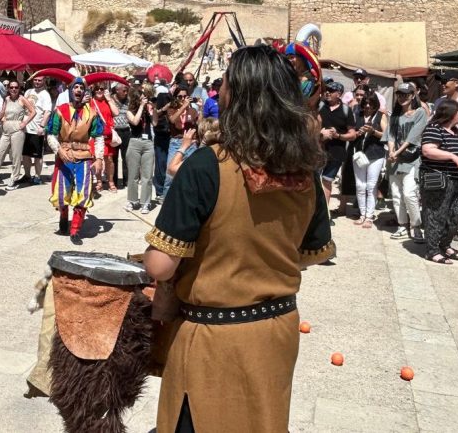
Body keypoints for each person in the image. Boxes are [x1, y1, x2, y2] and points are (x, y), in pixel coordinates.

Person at [143, 46, 334, 433]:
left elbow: (161, 264)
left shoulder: (206, 165)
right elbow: (308, 253)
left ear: (235, 94)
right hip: (276, 333)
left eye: (226, 80)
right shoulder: (305, 171)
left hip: (214, 340)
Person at [45, 76, 105, 243]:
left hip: (84, 156)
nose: (78, 90)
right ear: (70, 91)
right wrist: (58, 150)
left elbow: (99, 137)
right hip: (64, 156)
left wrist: (99, 158)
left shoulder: (91, 113)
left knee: (84, 193)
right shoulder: (60, 111)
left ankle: (75, 230)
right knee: (61, 193)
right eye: (75, 87)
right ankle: (64, 216)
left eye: (81, 88)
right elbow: (51, 134)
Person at [419, 100, 458, 264]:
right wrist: (452, 156)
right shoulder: (434, 129)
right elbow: (428, 150)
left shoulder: (455, 131)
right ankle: (432, 250)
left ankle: (445, 243)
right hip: (439, 179)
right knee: (436, 214)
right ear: (451, 113)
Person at [386, 82, 428, 242]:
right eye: (399, 94)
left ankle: (416, 226)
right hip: (394, 160)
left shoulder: (419, 113)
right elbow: (390, 135)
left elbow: (413, 137)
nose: (402, 97)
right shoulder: (395, 116)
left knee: (409, 193)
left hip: (411, 159)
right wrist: (391, 151)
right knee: (396, 195)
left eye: (406, 94)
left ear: (412, 95)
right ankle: (402, 225)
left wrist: (396, 152)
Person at [318, 82, 356, 210]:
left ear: (339, 94)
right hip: (317, 151)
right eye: (326, 90)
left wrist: (338, 136)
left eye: (331, 90)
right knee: (313, 181)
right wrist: (320, 133)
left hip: (336, 153)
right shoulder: (319, 106)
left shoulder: (346, 110)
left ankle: (324, 214)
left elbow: (352, 134)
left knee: (327, 181)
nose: (327, 92)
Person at [0, 79, 33, 189]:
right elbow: (3, 112)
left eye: (16, 87)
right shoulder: (7, 99)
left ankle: (14, 178)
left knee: (16, 156)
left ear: (19, 89)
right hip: (6, 130)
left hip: (17, 129)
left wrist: (24, 123)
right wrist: (0, 117)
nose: (13, 89)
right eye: (11, 87)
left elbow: (33, 111)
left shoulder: (22, 99)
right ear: (8, 89)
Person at [352, 93, 388, 228]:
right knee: (360, 185)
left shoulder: (381, 115)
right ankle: (362, 214)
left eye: (371, 103)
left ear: (376, 104)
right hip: (360, 154)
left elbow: (387, 135)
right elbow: (352, 133)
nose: (367, 106)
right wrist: (358, 133)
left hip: (375, 154)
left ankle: (369, 216)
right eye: (366, 103)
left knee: (371, 186)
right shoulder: (358, 114)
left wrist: (373, 131)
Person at [162, 86, 198, 199]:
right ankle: (167, 200)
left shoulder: (193, 110)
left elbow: (199, 124)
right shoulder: (171, 109)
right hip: (176, 142)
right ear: (175, 97)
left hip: (191, 143)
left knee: (191, 173)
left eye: (185, 96)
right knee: (170, 174)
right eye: (180, 96)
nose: (183, 98)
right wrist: (183, 107)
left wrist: (201, 109)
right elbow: (172, 120)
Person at [125, 84, 156, 215]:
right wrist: (142, 107)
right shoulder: (129, 111)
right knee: (133, 175)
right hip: (135, 142)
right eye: (142, 98)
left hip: (148, 143)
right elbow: (135, 122)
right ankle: (132, 200)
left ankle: (146, 202)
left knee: (147, 176)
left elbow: (155, 123)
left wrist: (153, 111)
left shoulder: (148, 110)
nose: (145, 100)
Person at [21, 74, 53, 185]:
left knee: (37, 155)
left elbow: (47, 112)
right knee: (25, 154)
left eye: (39, 80)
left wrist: (42, 126)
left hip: (37, 128)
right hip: (25, 128)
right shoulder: (28, 92)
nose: (37, 82)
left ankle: (38, 176)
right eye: (35, 80)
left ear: (44, 81)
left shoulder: (45, 95)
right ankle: (27, 175)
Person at [90, 82, 120, 193]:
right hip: (96, 134)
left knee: (109, 159)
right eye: (97, 88)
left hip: (108, 133)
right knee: (97, 158)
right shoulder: (90, 101)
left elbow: (116, 112)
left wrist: (109, 99)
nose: (99, 91)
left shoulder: (108, 100)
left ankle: (110, 181)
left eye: (101, 89)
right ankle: (98, 181)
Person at [111, 82, 131, 190]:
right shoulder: (111, 100)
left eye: (126, 90)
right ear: (117, 90)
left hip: (126, 131)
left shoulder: (128, 99)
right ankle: (113, 180)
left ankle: (126, 180)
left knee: (126, 157)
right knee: (114, 157)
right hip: (115, 131)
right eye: (123, 90)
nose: (125, 92)